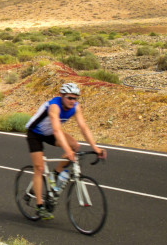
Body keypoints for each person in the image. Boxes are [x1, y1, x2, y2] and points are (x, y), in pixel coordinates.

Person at [25, 82, 107, 219]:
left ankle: (55, 173)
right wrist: (67, 151)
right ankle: (40, 206)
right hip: (35, 134)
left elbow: (83, 127)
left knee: (75, 145)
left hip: (50, 133)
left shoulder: (75, 107)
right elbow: (57, 130)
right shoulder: (54, 106)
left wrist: (95, 148)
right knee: (39, 168)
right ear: (61, 96)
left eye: (75, 98)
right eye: (69, 97)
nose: (72, 101)